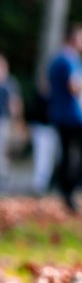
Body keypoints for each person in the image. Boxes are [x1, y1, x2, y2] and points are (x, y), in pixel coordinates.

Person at [47, 26, 82, 211]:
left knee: (68, 154)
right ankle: (70, 188)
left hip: (61, 114)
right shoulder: (69, 59)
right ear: (74, 39)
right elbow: (73, 87)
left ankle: (65, 190)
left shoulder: (57, 59)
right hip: (72, 116)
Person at [25, 80, 58, 196]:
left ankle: (46, 182)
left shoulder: (54, 98)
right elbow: (31, 113)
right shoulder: (38, 97)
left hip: (51, 129)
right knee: (40, 156)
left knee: (50, 157)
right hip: (39, 129)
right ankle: (38, 183)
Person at [0, 55, 21, 192]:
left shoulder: (10, 82)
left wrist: (17, 120)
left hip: (3, 120)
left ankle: (4, 174)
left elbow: (15, 103)